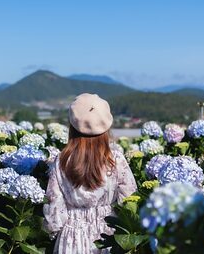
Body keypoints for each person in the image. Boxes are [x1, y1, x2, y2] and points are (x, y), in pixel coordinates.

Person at [43, 93, 137, 254]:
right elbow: (128, 202)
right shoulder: (116, 160)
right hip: (107, 236)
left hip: (71, 238)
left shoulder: (61, 161)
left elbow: (54, 213)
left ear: (72, 125)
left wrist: (52, 233)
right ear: (106, 126)